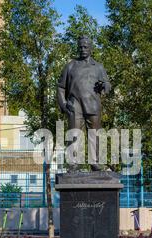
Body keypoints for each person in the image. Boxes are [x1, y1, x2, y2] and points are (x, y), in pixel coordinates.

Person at [57, 36, 111, 172]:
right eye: (80, 47)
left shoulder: (98, 67)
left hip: (93, 106)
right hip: (75, 106)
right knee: (74, 135)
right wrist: (63, 105)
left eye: (85, 47)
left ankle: (96, 163)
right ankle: (74, 163)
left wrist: (104, 86)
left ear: (91, 48)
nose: (83, 49)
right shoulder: (70, 66)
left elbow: (108, 84)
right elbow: (61, 87)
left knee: (95, 135)